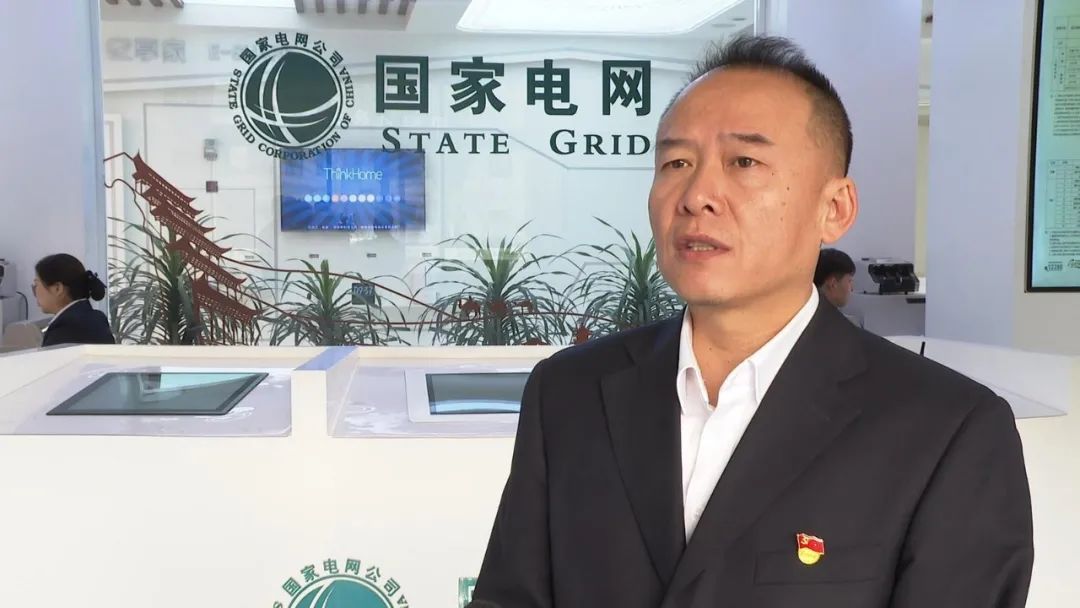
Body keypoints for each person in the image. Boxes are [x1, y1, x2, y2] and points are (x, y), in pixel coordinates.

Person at [469, 35, 1032, 608]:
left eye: (744, 162)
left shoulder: (949, 430)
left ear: (834, 209)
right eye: (676, 163)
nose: (697, 195)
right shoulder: (569, 392)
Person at [33, 253, 115, 347]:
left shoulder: (64, 328)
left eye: (36, 284)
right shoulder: (97, 317)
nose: (35, 291)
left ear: (57, 288)